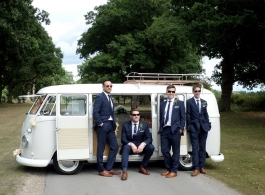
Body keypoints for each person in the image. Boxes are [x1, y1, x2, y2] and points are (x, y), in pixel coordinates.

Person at [93, 80, 120, 177]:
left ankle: (109, 168)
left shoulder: (110, 98)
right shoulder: (100, 97)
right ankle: (101, 170)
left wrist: (113, 123)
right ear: (103, 87)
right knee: (101, 148)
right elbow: (95, 112)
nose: (109, 87)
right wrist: (101, 124)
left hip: (110, 126)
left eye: (111, 86)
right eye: (107, 86)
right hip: (103, 126)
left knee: (115, 146)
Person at [158, 85, 185, 178]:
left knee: (176, 151)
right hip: (165, 130)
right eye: (169, 91)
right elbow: (161, 118)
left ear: (175, 93)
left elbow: (183, 118)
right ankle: (169, 169)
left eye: (173, 92)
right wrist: (161, 128)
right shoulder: (162, 104)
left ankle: (174, 171)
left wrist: (181, 129)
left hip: (175, 130)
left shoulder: (180, 103)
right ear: (166, 92)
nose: (171, 93)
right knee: (164, 150)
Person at [120, 108, 155, 181]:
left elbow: (149, 138)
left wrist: (143, 144)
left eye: (138, 114)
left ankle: (142, 167)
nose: (136, 116)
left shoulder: (144, 125)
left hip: (140, 147)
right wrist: (131, 144)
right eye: (134, 115)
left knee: (151, 147)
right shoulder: (125, 125)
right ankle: (124, 171)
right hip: (130, 147)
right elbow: (123, 139)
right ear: (131, 116)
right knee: (125, 148)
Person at [186, 84, 211, 177]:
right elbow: (187, 115)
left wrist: (207, 124)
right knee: (195, 148)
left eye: (198, 91)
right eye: (195, 91)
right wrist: (190, 126)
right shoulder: (189, 102)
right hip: (194, 128)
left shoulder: (204, 102)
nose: (197, 92)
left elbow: (205, 114)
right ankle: (196, 168)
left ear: (200, 92)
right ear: (193, 92)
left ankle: (201, 166)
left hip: (203, 129)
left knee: (203, 148)